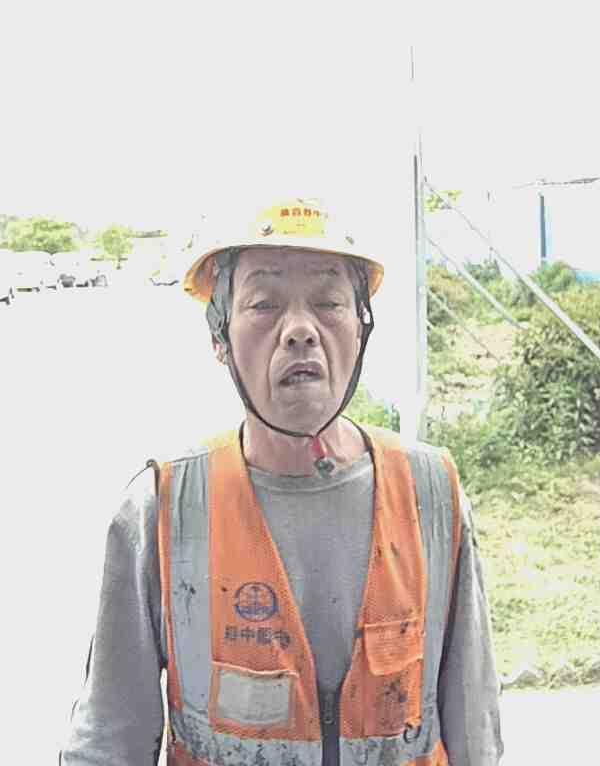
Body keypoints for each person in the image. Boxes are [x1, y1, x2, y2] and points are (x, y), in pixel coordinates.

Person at [61, 197, 504, 766]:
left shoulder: (431, 492)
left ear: (362, 328)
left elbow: (475, 729)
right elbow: (107, 744)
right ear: (220, 340)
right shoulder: (163, 509)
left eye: (328, 302)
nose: (300, 331)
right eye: (264, 304)